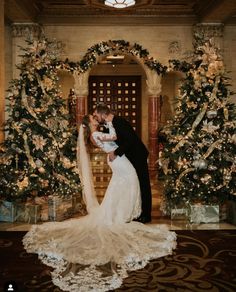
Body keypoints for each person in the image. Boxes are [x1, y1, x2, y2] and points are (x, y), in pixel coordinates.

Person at [23, 114, 176, 292]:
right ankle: (120, 213)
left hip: (118, 159)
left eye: (96, 117)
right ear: (89, 124)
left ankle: (123, 211)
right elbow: (114, 138)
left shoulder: (97, 133)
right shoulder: (95, 135)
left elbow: (113, 139)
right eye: (93, 119)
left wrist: (110, 128)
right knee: (128, 181)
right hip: (117, 160)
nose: (96, 119)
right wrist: (111, 127)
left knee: (123, 184)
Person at [93, 103, 152, 223]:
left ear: (103, 114)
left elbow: (130, 141)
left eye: (96, 115)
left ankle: (146, 215)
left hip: (137, 155)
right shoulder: (109, 125)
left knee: (143, 183)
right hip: (130, 156)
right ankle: (138, 211)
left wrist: (115, 152)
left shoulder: (119, 122)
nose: (95, 117)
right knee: (136, 182)